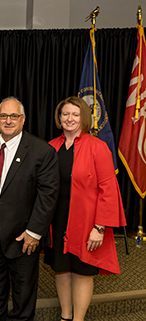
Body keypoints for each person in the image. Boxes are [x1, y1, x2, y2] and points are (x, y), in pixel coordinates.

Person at [0, 97, 59, 321]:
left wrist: (34, 232)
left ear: (23, 119)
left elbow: (48, 195)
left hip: (23, 232)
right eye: (3, 116)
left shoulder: (42, 151)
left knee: (23, 286)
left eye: (14, 116)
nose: (8, 121)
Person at [44, 96, 127, 321]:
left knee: (82, 271)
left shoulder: (98, 147)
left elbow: (109, 190)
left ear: (84, 118)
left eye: (75, 114)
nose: (69, 118)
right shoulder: (51, 146)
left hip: (87, 222)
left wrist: (99, 228)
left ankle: (78, 319)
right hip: (57, 220)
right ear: (59, 118)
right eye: (65, 114)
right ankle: (65, 315)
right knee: (61, 269)